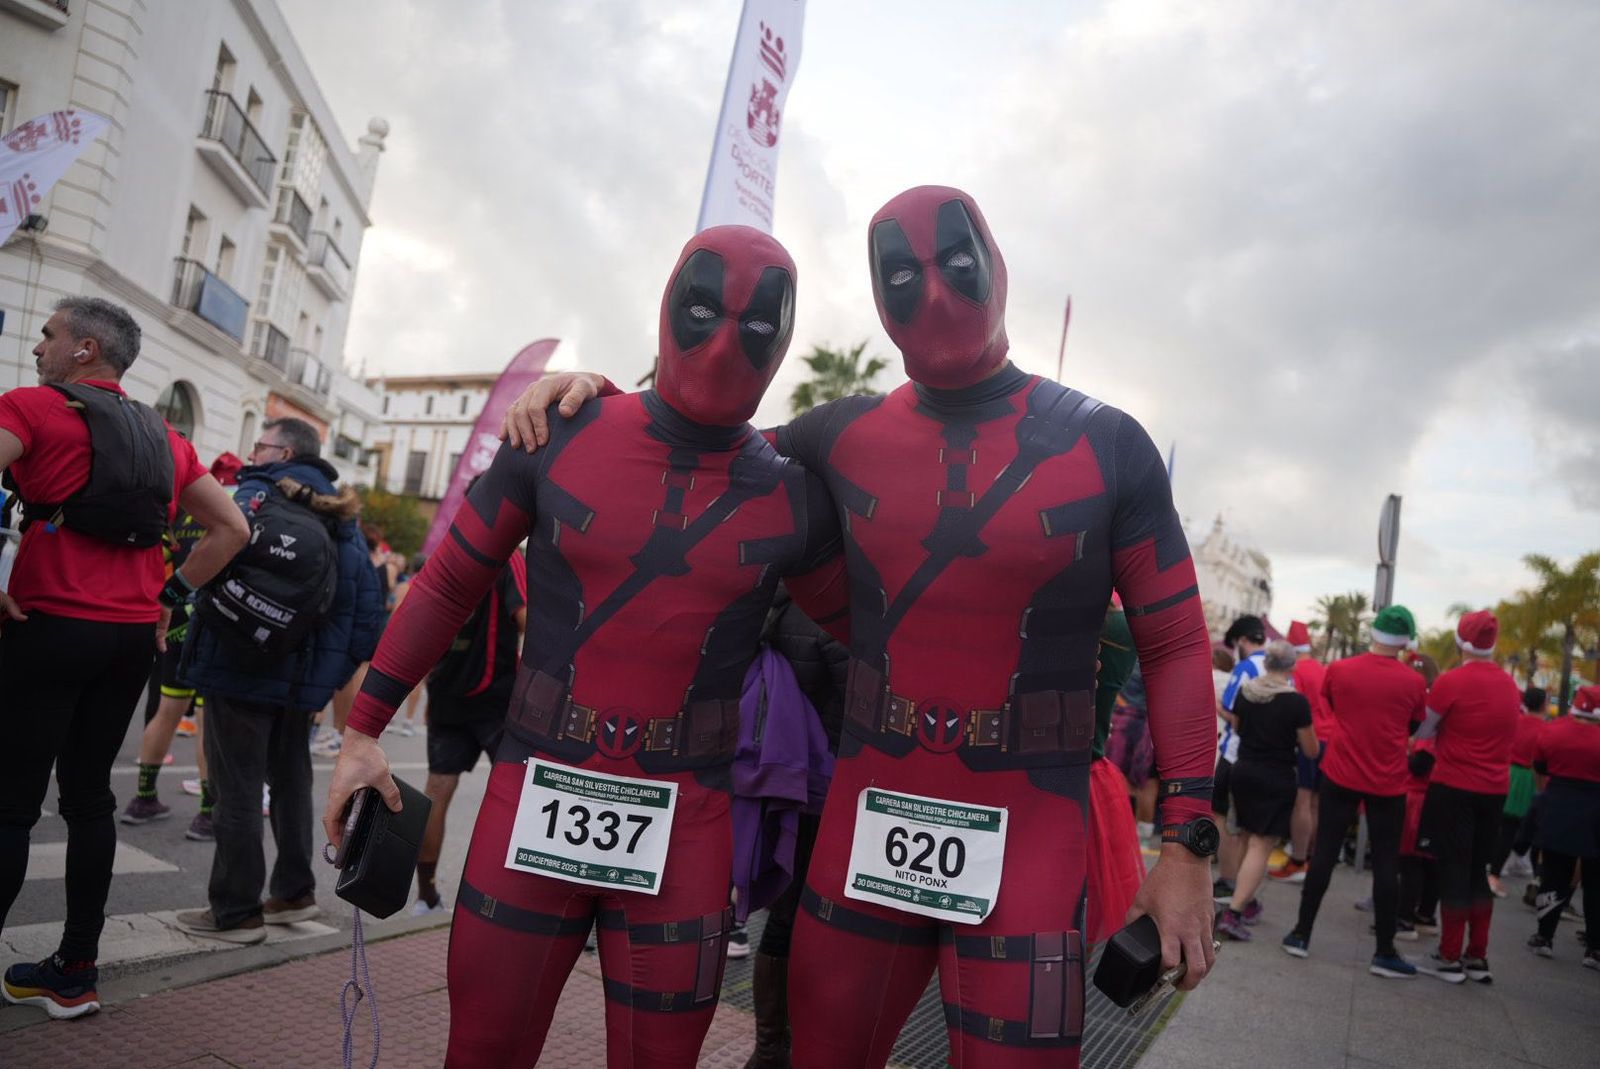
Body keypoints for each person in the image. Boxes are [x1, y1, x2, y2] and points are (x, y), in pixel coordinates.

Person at [504, 187, 1220, 1067]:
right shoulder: (838, 434)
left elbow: (1179, 644)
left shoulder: (1109, 445)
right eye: (902, 275)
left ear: (996, 265)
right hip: (866, 828)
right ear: (881, 304)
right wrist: (598, 395)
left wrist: (1187, 844)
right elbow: (692, 441)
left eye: (954, 262)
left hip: (1027, 834)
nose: (935, 290)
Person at [327, 226, 843, 1068]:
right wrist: (361, 731)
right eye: (704, 308)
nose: (722, 342)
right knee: (483, 1051)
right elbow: (450, 582)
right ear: (669, 302)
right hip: (540, 791)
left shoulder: (792, 492)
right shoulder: (561, 432)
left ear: (785, 340)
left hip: (684, 821)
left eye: (757, 325)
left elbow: (881, 636)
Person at [0, 297, 249, 1019]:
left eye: (50, 335)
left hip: (49, 624)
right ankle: (75, 969)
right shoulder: (166, 439)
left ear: (83, 350)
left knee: (11, 803)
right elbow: (234, 526)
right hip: (128, 639)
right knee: (88, 799)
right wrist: (171, 591)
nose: (38, 347)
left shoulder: (34, 408)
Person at [173, 417, 382, 944]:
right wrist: (324, 677)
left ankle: (237, 912)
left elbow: (208, 561)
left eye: (260, 445)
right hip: (299, 683)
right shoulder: (343, 516)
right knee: (291, 782)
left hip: (237, 666)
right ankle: (292, 892)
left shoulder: (255, 498)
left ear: (282, 451)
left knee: (236, 789)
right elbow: (364, 615)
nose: (253, 452)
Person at [1282, 604, 1426, 979]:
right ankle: (1384, 951)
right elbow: (1413, 725)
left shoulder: (1341, 669)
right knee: (1386, 863)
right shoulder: (1413, 682)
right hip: (1389, 779)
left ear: (1374, 632)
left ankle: (1301, 933)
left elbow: (1333, 704)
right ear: (1406, 640)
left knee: (1325, 852)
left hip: (1341, 770)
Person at [122, 452, 244, 834]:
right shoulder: (234, 511)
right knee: (208, 721)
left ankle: (143, 798)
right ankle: (208, 813)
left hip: (171, 619)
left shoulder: (181, 508)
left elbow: (155, 559)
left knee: (167, 710)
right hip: (212, 624)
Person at [412, 524, 527, 916]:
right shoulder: (509, 556)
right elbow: (525, 616)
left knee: (436, 792)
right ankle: (507, 901)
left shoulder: (451, 553)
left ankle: (425, 897)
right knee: (516, 797)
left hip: (448, 691)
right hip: (497, 696)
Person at [1413, 609, 1521, 984]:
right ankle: (1477, 955)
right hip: (1495, 791)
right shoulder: (1510, 685)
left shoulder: (1452, 682)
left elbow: (1423, 728)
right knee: (1479, 871)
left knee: (1454, 871)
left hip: (1454, 785)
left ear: (1461, 642)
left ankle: (1448, 956)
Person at [1216, 642, 1318, 940]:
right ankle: (1234, 912)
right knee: (1261, 846)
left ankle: (1244, 898)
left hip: (1243, 770)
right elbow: (1310, 749)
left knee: (1246, 838)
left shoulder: (1248, 694)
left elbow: (1239, 726)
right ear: (1291, 667)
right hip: (1275, 776)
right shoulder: (1296, 703)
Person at [1526, 685, 1600, 969]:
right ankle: (1595, 948)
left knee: (1554, 875)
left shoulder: (1553, 730)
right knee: (1596, 883)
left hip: (1560, 807)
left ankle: (1544, 937)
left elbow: (1540, 768)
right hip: (1596, 812)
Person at [1212, 615, 1267, 901]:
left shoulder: (1245, 668)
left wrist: (1216, 706)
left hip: (1235, 753)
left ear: (1243, 641)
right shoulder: (1279, 666)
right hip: (1264, 756)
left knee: (1221, 817)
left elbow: (1233, 715)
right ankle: (1245, 887)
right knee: (1248, 828)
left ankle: (1228, 879)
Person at [1269, 620, 1327, 883]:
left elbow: (1294, 709)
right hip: (1330, 739)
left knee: (1302, 801)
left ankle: (1298, 861)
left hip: (1310, 738)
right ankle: (1310, 860)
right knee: (1315, 802)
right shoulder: (1322, 669)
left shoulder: (1297, 672)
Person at [1489, 685, 1546, 891]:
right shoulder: (1545, 729)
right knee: (1538, 830)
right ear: (1543, 704)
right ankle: (1537, 880)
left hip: (1509, 774)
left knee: (1506, 828)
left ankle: (1494, 873)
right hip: (1532, 778)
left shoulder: (1516, 722)